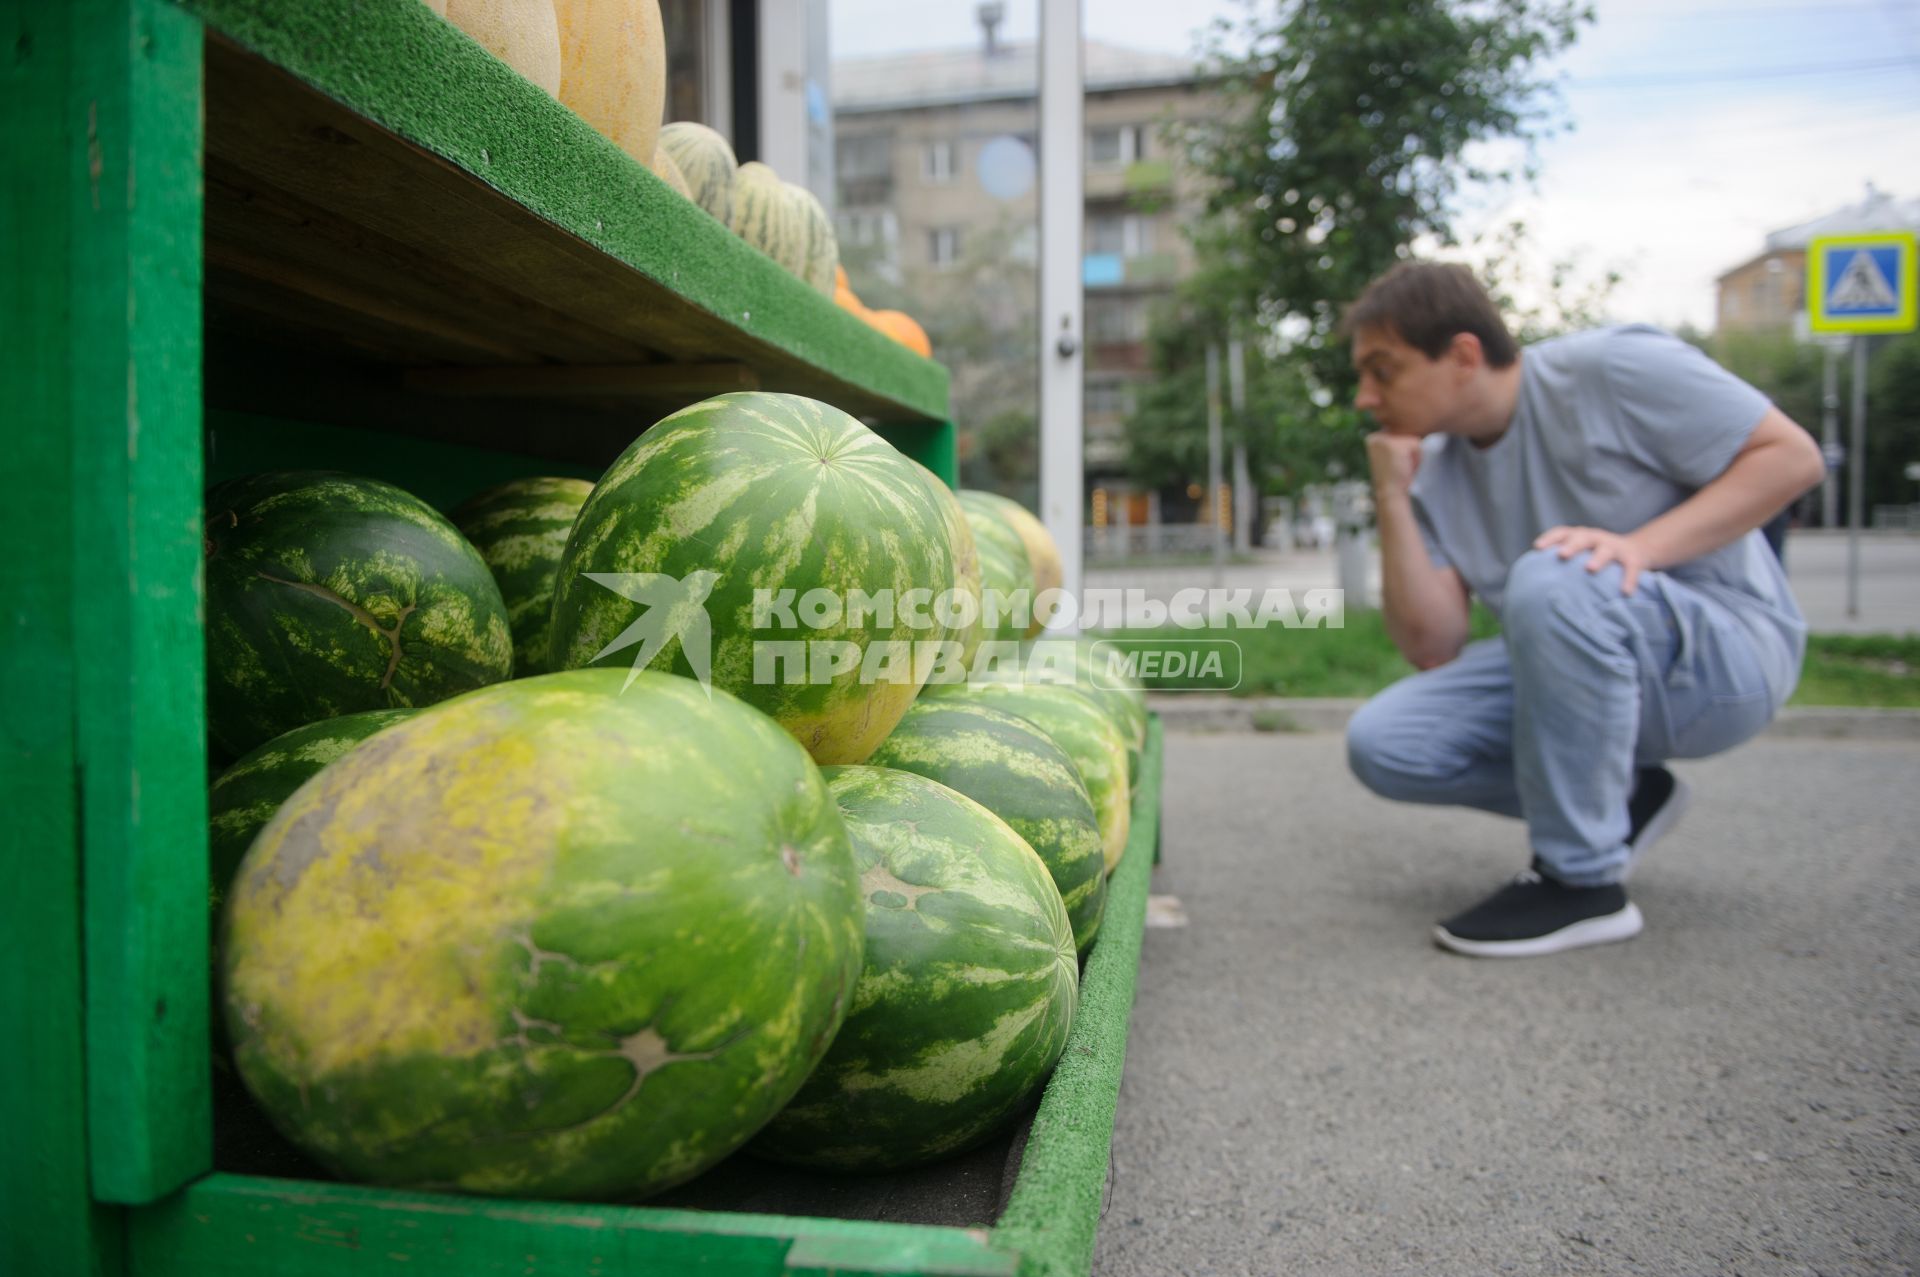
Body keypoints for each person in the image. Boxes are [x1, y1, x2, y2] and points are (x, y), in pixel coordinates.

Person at [1341, 262, 1826, 957]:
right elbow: (1432, 643)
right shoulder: (1434, 470)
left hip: (1726, 656)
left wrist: (1637, 548)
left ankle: (1583, 882)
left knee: (1554, 574)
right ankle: (1622, 799)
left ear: (1463, 354)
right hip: (1582, 659)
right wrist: (1390, 497)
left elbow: (1791, 456)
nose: (1365, 397)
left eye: (1382, 370)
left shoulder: (1611, 366)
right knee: (1386, 742)